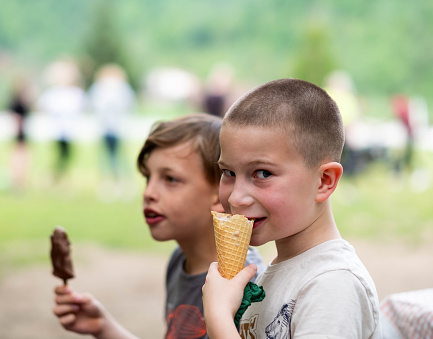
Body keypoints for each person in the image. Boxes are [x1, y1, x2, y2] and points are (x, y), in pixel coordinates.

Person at [52, 113, 266, 339]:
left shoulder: (247, 285)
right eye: (147, 178)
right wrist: (103, 327)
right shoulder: (179, 261)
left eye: (170, 179)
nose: (149, 193)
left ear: (220, 193)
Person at [202, 79, 381, 339]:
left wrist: (218, 318)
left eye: (262, 173)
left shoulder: (333, 285)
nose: (236, 198)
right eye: (228, 172)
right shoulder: (277, 273)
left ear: (324, 181)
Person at [88, 64, 136, 199]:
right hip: (106, 128)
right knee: (107, 158)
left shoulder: (120, 88)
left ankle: (123, 184)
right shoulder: (101, 88)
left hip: (118, 128)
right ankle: (108, 184)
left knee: (118, 157)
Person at [38, 59, 86, 184]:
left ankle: (57, 177)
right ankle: (54, 177)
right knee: (61, 156)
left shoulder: (74, 92)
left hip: (69, 131)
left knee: (66, 156)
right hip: (57, 131)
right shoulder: (55, 93)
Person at [7, 77, 32, 191]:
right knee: (19, 158)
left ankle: (20, 180)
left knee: (24, 158)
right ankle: (16, 181)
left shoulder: (24, 101)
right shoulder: (16, 102)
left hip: (23, 134)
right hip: (19, 134)